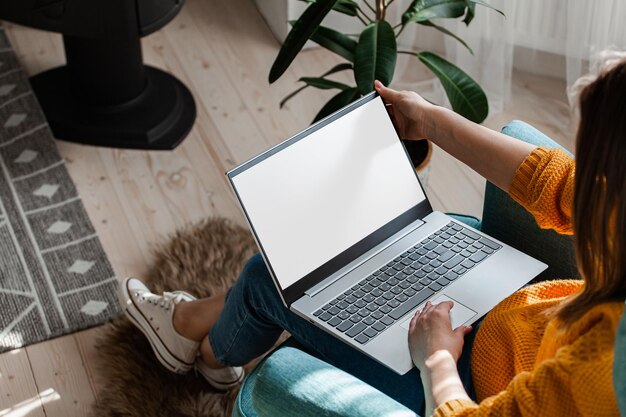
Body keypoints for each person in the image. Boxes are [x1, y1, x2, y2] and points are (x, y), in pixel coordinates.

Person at [118, 57, 626, 416]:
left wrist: (436, 358)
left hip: (475, 383)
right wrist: (429, 119)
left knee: (271, 279)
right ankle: (201, 340)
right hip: (516, 324)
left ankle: (200, 350)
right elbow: (557, 183)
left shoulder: (601, 368)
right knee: (367, 264)